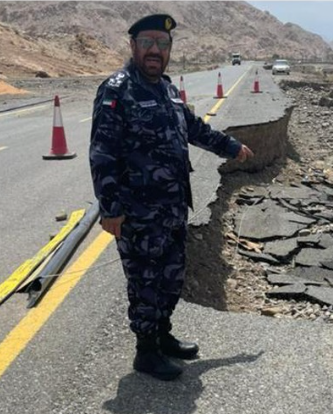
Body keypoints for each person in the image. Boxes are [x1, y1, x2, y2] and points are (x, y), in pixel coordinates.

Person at [89, 13, 254, 381]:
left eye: (163, 45)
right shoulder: (117, 89)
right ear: (133, 46)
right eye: (147, 43)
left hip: (174, 207)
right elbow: (102, 154)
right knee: (145, 282)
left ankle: (162, 335)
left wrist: (230, 146)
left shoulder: (166, 89)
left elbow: (193, 128)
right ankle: (145, 352)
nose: (155, 50)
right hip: (138, 213)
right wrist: (111, 209)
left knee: (171, 277)